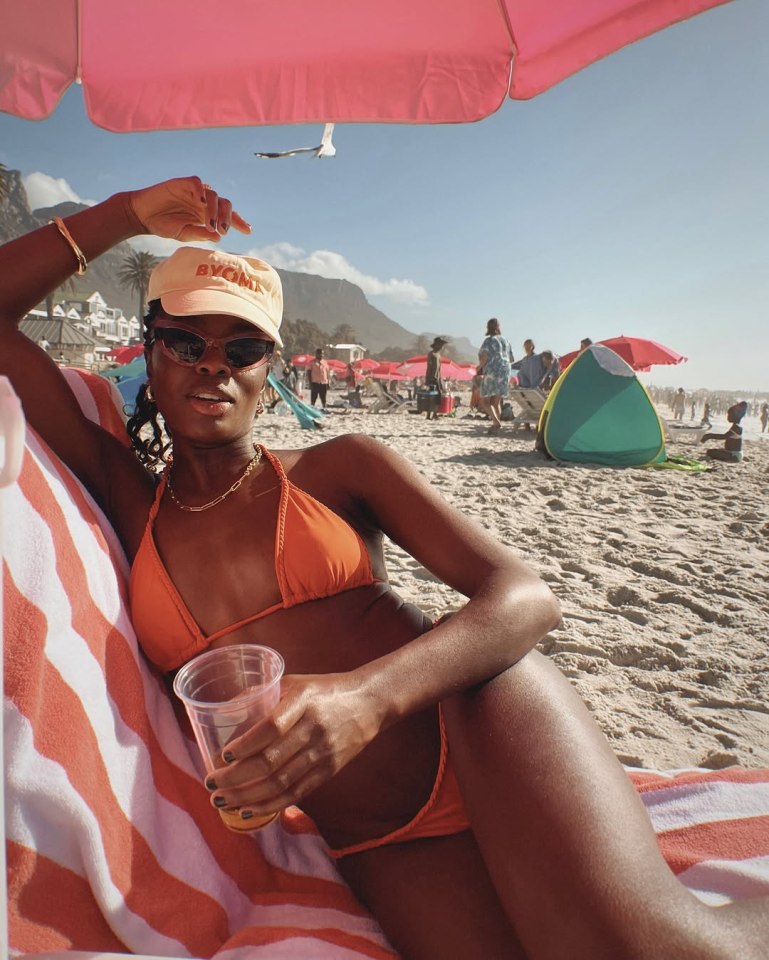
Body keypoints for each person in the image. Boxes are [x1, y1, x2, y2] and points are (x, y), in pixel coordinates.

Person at [2, 176, 768, 960]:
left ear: (269, 371)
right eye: (185, 342)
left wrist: (364, 700)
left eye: (243, 348)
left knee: (661, 953)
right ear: (151, 353)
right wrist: (127, 215)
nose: (213, 366)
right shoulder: (131, 502)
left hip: (476, 722)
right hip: (378, 838)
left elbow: (525, 598)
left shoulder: (337, 469)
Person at [478, 318, 514, 433]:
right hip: (505, 371)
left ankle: (497, 422)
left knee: (484, 401)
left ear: (488, 327)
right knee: (496, 402)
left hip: (493, 370)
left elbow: (484, 357)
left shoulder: (489, 341)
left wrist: (479, 367)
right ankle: (496, 426)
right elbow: (512, 359)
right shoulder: (506, 340)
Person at [423, 335, 447, 420]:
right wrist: (427, 379)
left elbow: (439, 369)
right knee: (431, 397)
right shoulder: (431, 354)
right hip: (432, 378)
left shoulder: (438, 355)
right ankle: (430, 415)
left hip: (437, 378)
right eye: (440, 344)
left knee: (437, 396)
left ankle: (434, 414)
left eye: (442, 345)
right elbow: (429, 367)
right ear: (436, 344)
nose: (441, 346)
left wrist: (440, 379)